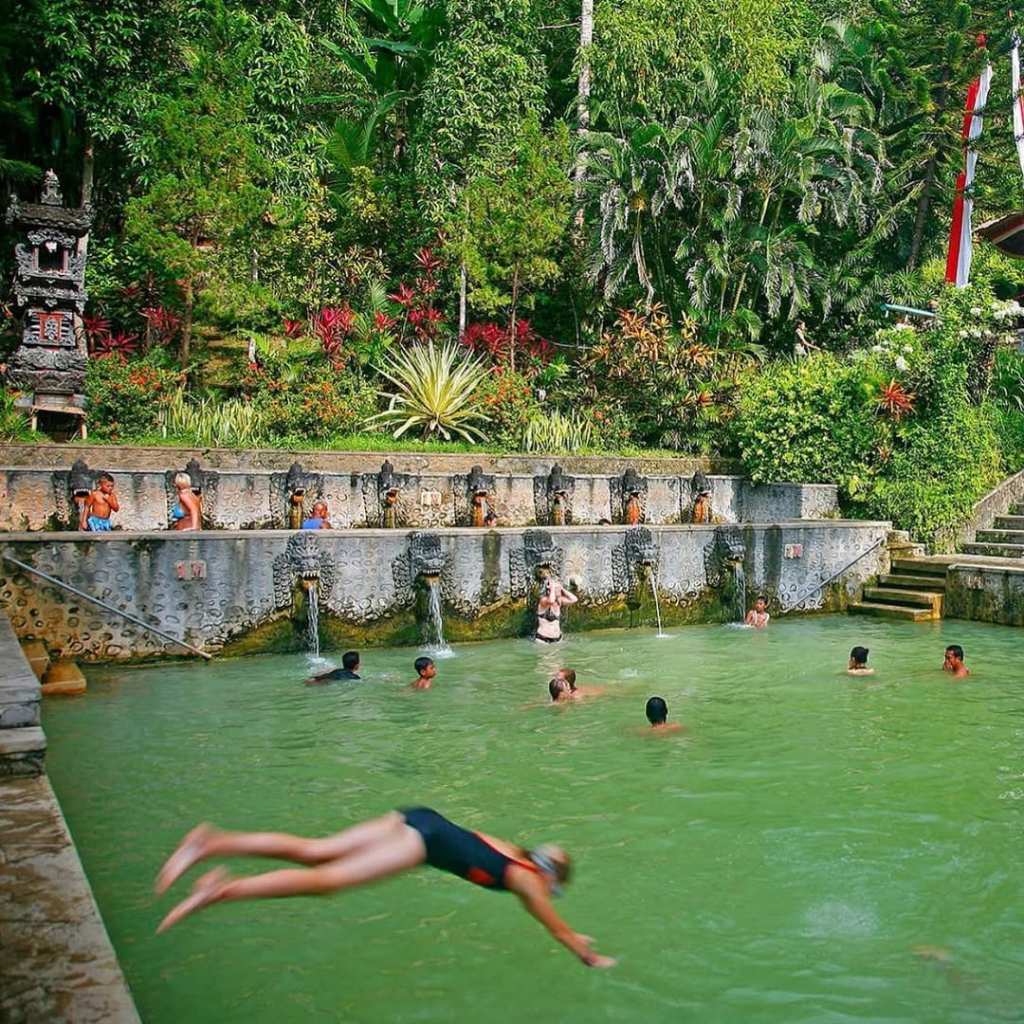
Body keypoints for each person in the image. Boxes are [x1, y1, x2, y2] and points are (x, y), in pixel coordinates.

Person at [153, 809, 616, 968]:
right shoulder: (528, 881)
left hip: (418, 818)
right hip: (422, 841)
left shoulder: (515, 853)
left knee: (316, 851)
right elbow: (556, 930)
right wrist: (588, 953)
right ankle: (221, 890)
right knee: (327, 881)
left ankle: (210, 842)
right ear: (550, 876)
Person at [535, 575, 577, 644]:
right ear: (550, 590)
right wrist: (553, 587)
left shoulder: (559, 602)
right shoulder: (543, 601)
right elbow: (551, 600)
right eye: (556, 588)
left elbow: (574, 599)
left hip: (557, 640)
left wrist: (562, 589)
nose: (558, 590)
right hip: (543, 640)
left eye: (558, 589)